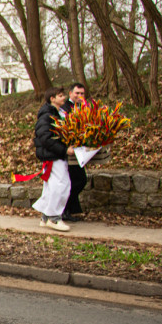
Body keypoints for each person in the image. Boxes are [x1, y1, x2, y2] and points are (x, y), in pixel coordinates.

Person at [32, 86, 75, 232]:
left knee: (52, 187)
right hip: (53, 156)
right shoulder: (47, 116)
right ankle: (54, 218)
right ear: (53, 98)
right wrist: (64, 150)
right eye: (61, 95)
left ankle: (46, 217)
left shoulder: (57, 114)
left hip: (55, 155)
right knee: (61, 185)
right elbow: (45, 138)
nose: (64, 98)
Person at [63, 82, 88, 223]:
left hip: (79, 150)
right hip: (70, 150)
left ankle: (69, 208)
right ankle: (66, 209)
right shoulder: (66, 107)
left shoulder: (83, 107)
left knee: (79, 180)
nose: (79, 96)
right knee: (77, 180)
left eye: (82, 93)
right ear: (70, 93)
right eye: (77, 93)